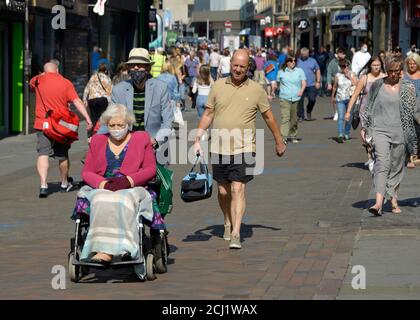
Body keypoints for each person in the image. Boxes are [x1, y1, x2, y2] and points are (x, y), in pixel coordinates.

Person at [193, 49, 287, 249]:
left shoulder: (256, 90)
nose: (237, 69)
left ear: (248, 68)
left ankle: (236, 232)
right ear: (231, 64)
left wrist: (279, 140)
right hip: (219, 146)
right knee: (223, 191)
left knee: (238, 188)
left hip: (245, 146)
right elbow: (209, 113)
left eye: (242, 67)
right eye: (235, 65)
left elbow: (268, 116)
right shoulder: (218, 86)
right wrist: (198, 136)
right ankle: (227, 221)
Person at [78, 104, 157, 265]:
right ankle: (103, 250)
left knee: (124, 200)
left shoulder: (141, 138)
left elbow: (150, 169)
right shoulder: (98, 140)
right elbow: (87, 172)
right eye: (111, 125)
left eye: (120, 125)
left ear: (128, 123)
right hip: (104, 185)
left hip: (133, 185)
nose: (116, 128)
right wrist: (103, 184)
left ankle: (128, 247)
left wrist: (127, 181)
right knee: (100, 199)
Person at [361, 56, 418, 216]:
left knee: (396, 167)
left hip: (401, 132)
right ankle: (378, 203)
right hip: (380, 131)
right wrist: (365, 127)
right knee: (382, 164)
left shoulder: (407, 87)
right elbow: (368, 107)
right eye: (390, 71)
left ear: (401, 71)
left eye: (396, 71)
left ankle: (393, 199)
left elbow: (414, 111)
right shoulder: (378, 85)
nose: (393, 74)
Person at [30, 62, 93, 198]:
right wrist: (87, 118)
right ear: (57, 70)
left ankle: (43, 185)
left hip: (43, 124)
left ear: (44, 71)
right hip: (60, 126)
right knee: (62, 155)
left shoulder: (38, 81)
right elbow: (76, 101)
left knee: (43, 154)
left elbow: (31, 81)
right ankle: (64, 183)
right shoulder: (65, 83)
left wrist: (42, 74)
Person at [98, 48, 173, 149]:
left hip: (154, 146)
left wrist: (156, 141)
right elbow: (110, 118)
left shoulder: (161, 88)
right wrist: (98, 139)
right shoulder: (118, 90)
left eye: (140, 64)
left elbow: (167, 120)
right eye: (132, 65)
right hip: (126, 146)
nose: (136, 67)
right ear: (128, 68)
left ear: (148, 67)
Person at [345, 56, 386, 166]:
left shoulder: (385, 77)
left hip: (381, 111)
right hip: (365, 111)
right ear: (370, 66)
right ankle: (371, 157)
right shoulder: (365, 78)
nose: (376, 67)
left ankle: (377, 156)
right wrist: (348, 111)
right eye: (374, 65)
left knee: (378, 135)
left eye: (378, 65)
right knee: (367, 135)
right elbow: (354, 96)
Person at [277, 55, 307, 143]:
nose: (293, 62)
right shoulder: (281, 72)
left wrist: (301, 90)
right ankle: (284, 137)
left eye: (295, 60)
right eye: (291, 60)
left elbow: (304, 82)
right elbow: (277, 83)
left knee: (294, 119)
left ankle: (293, 135)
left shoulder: (299, 71)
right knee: (285, 118)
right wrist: (272, 90)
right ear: (287, 62)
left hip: (296, 98)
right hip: (284, 98)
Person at [83, 62, 112, 136]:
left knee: (93, 118)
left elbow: (87, 88)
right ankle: (101, 134)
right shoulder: (107, 78)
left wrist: (84, 100)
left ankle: (91, 135)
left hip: (92, 100)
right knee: (103, 117)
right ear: (106, 70)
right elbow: (111, 90)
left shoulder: (93, 76)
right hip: (102, 100)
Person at [331, 60, 358, 143]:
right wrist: (333, 96)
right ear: (340, 67)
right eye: (343, 66)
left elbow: (357, 85)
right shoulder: (338, 75)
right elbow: (335, 86)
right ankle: (340, 134)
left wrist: (349, 77)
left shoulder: (353, 74)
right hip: (340, 98)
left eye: (346, 66)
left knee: (349, 117)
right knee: (341, 117)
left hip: (350, 99)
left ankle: (346, 133)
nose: (345, 68)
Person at [403, 53, 420, 167]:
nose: (412, 65)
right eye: (410, 63)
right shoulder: (403, 76)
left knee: (418, 131)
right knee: (408, 132)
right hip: (407, 107)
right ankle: (409, 157)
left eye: (414, 63)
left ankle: (416, 155)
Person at [297, 47, 321, 121]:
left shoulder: (313, 61)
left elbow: (317, 70)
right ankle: (301, 116)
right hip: (300, 85)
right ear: (301, 54)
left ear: (308, 54)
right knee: (300, 101)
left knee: (312, 99)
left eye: (305, 54)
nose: (304, 56)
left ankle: (308, 111)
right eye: (302, 54)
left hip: (311, 84)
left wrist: (318, 81)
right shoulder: (297, 61)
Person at [327, 48, 350, 119]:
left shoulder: (347, 62)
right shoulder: (333, 62)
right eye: (342, 54)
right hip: (335, 82)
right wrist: (329, 83)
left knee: (346, 97)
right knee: (334, 98)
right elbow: (329, 72)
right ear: (338, 54)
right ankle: (336, 112)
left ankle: (345, 111)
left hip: (345, 83)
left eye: (344, 54)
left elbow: (351, 70)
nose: (344, 55)